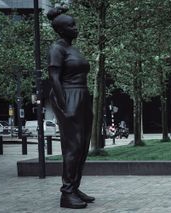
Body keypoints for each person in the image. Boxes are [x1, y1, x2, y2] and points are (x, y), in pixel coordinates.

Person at [47, 6, 94, 209]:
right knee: (72, 146)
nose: (76, 28)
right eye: (71, 25)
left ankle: (74, 187)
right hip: (69, 94)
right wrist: (64, 104)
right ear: (61, 29)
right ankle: (66, 193)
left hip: (82, 95)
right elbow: (54, 77)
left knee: (83, 145)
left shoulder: (72, 48)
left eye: (74, 24)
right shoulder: (57, 49)